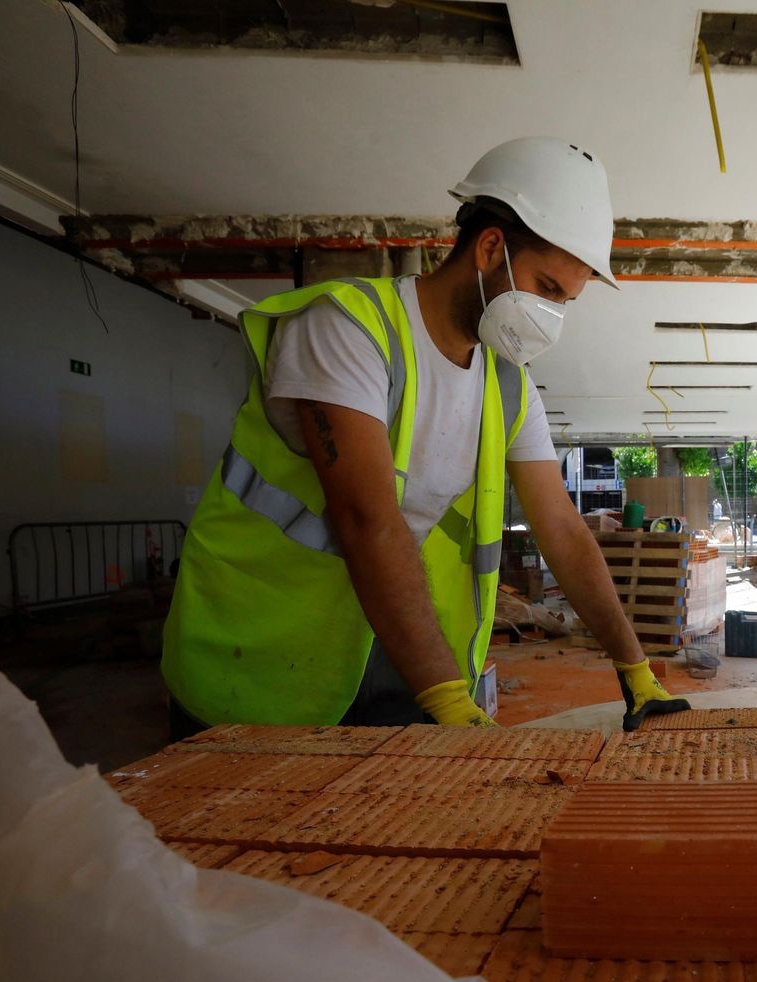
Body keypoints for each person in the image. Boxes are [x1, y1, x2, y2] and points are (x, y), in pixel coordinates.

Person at [162, 137, 690, 734]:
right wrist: (449, 702)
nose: (551, 317)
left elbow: (563, 530)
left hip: (385, 647)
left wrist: (634, 668)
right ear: (490, 248)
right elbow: (367, 520)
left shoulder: (507, 386)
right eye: (546, 288)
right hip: (260, 643)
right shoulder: (349, 328)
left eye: (564, 301)